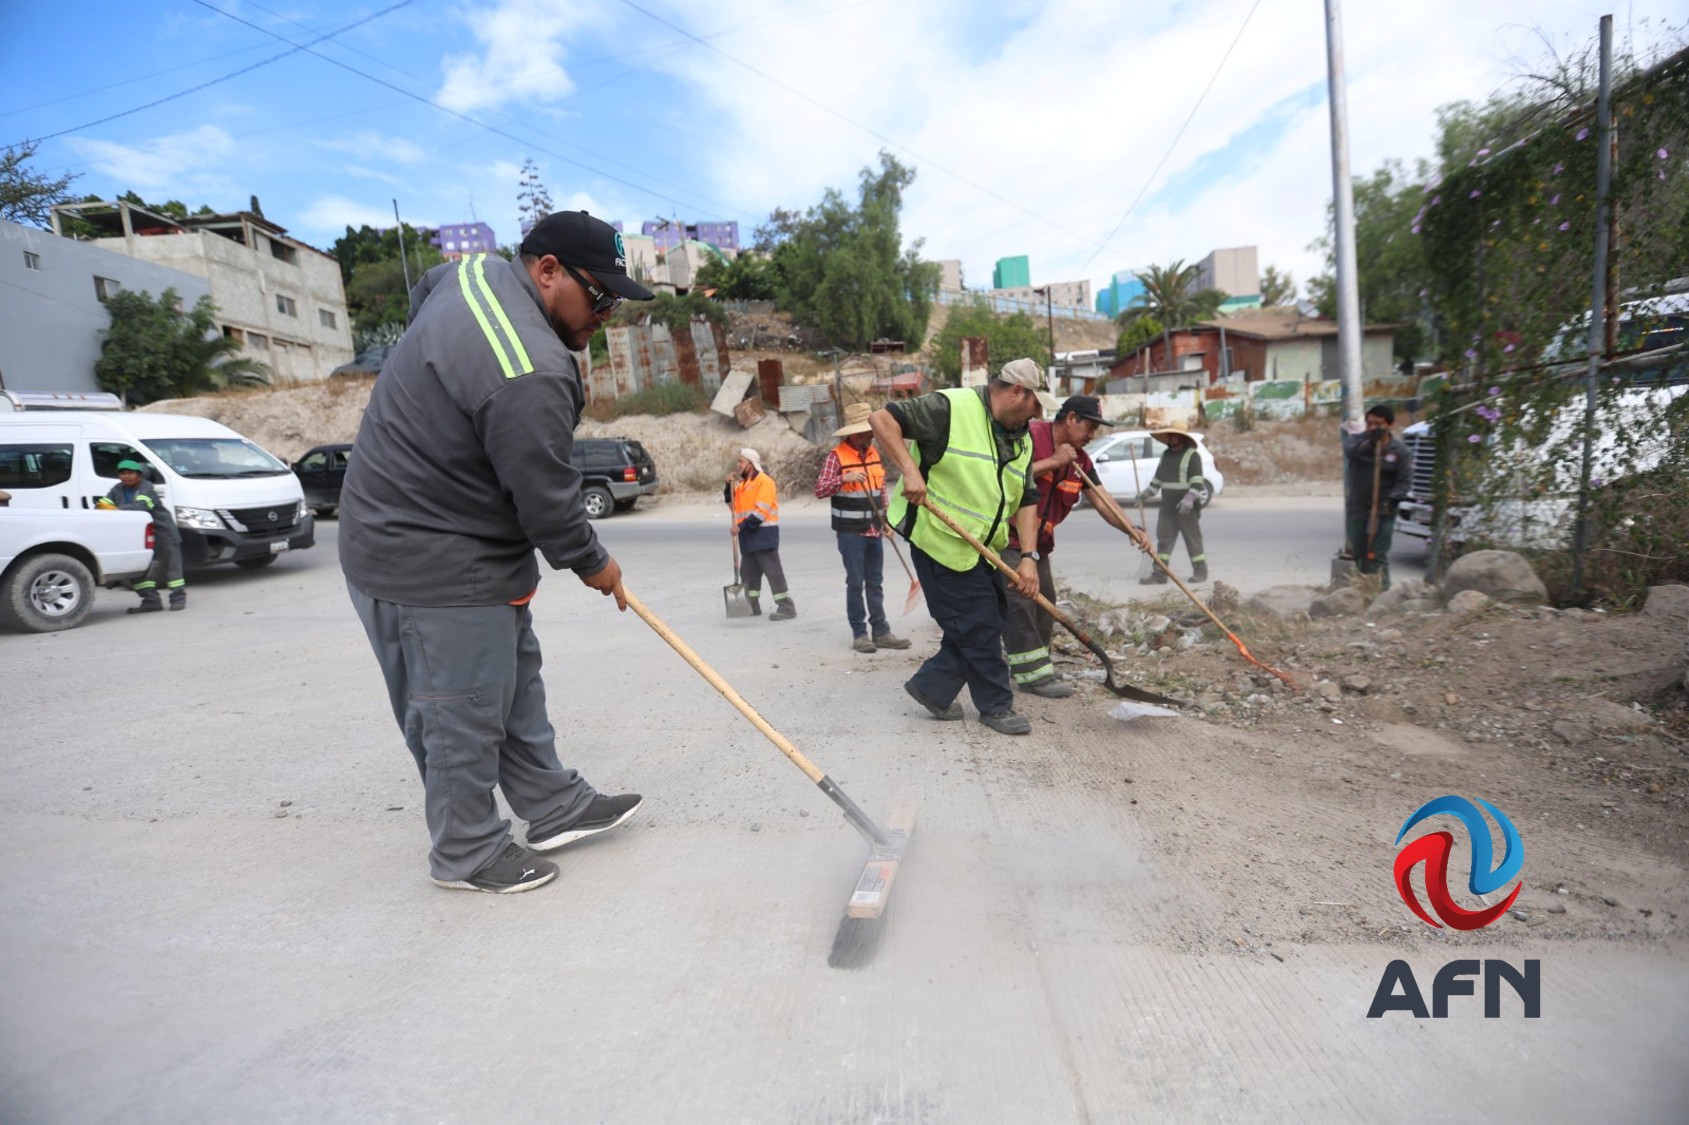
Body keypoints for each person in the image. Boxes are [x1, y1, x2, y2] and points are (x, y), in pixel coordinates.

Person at [339, 210, 648, 895]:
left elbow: (430, 286)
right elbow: (547, 500)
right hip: (423, 552)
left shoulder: (478, 274)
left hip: (468, 533)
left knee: (510, 685)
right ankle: (469, 850)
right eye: (598, 297)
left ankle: (552, 805)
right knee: (459, 705)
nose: (605, 315)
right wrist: (596, 563)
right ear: (546, 270)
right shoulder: (530, 368)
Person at [870, 357, 1050, 736]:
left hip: (984, 548)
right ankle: (996, 706)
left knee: (982, 620)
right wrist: (910, 469)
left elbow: (1027, 499)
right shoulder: (950, 407)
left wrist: (1030, 558)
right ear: (1018, 391)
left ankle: (931, 689)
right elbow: (882, 419)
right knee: (980, 625)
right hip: (939, 540)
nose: (1037, 414)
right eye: (1035, 403)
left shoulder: (1023, 439)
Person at [1003, 395, 1153, 698]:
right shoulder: (1030, 436)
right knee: (1020, 601)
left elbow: (1101, 498)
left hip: (1038, 544)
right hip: (1006, 537)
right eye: (1090, 427)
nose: (1091, 435)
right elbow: (1006, 474)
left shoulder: (1081, 462)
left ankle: (1035, 665)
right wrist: (1053, 462)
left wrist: (1131, 528)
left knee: (1046, 601)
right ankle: (1031, 676)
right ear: (1070, 418)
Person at [814, 402, 910, 653]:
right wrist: (842, 479)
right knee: (856, 583)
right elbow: (820, 489)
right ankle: (859, 634)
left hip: (874, 529)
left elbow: (880, 491)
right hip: (850, 532)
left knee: (875, 583)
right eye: (868, 432)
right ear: (853, 433)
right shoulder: (836, 457)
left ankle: (881, 631)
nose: (871, 435)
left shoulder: (874, 454)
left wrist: (886, 522)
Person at [1342, 402, 1414, 590]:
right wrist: (1370, 443)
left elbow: (1404, 481)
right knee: (1359, 552)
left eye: (1378, 424)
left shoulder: (1400, 451)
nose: (1373, 427)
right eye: (1369, 423)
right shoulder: (1356, 441)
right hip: (1358, 508)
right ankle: (1360, 589)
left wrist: (1392, 500)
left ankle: (1383, 593)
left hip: (1383, 510)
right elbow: (1350, 452)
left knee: (1378, 554)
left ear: (1389, 425)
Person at [98, 459, 185, 613]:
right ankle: (151, 601)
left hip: (163, 532)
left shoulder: (147, 488)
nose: (126, 477)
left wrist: (115, 509)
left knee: (172, 568)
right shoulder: (117, 489)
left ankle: (178, 599)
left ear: (139, 476)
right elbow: (101, 506)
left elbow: (140, 507)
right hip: (140, 535)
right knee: (139, 568)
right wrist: (106, 508)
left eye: (130, 473)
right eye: (123, 473)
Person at [724, 447, 795, 620]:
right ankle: (751, 605)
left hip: (763, 534)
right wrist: (728, 486)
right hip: (747, 536)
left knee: (773, 572)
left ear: (750, 463)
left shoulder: (765, 481)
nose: (738, 465)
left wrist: (740, 527)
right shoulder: (741, 486)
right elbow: (733, 506)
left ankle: (786, 607)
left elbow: (761, 512)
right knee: (748, 572)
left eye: (741, 461)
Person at [1137, 423, 1212, 584]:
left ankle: (1200, 571)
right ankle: (1160, 574)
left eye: (1174, 435)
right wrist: (1144, 495)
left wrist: (1189, 499)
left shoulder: (1192, 455)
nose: (1170, 438)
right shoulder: (1165, 455)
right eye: (1169, 435)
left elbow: (1197, 482)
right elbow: (1157, 481)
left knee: (1193, 540)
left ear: (1182, 437)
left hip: (1186, 509)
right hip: (1168, 507)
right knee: (1164, 540)